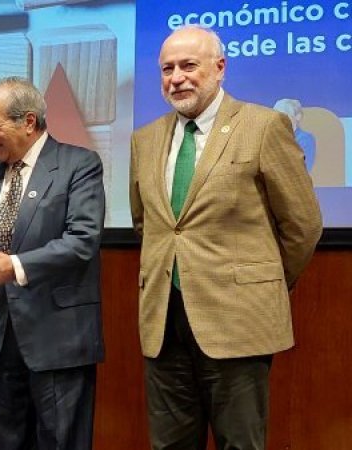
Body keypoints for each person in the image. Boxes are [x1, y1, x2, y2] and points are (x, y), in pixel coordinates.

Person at [129, 26, 322, 449]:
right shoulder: (144, 139)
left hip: (238, 320)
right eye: (167, 69)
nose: (176, 77)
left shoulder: (264, 126)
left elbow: (302, 224)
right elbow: (148, 225)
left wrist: (262, 280)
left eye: (187, 66)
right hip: (164, 324)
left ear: (220, 68)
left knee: (240, 443)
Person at [0, 77, 105, 450]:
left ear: (28, 122)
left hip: (58, 336)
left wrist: (13, 267)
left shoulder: (79, 164)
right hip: (1, 337)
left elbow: (82, 241)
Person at [273, 98, 317, 171]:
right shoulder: (273, 138)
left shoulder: (305, 139)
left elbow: (302, 170)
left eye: (285, 115)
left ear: (298, 117)